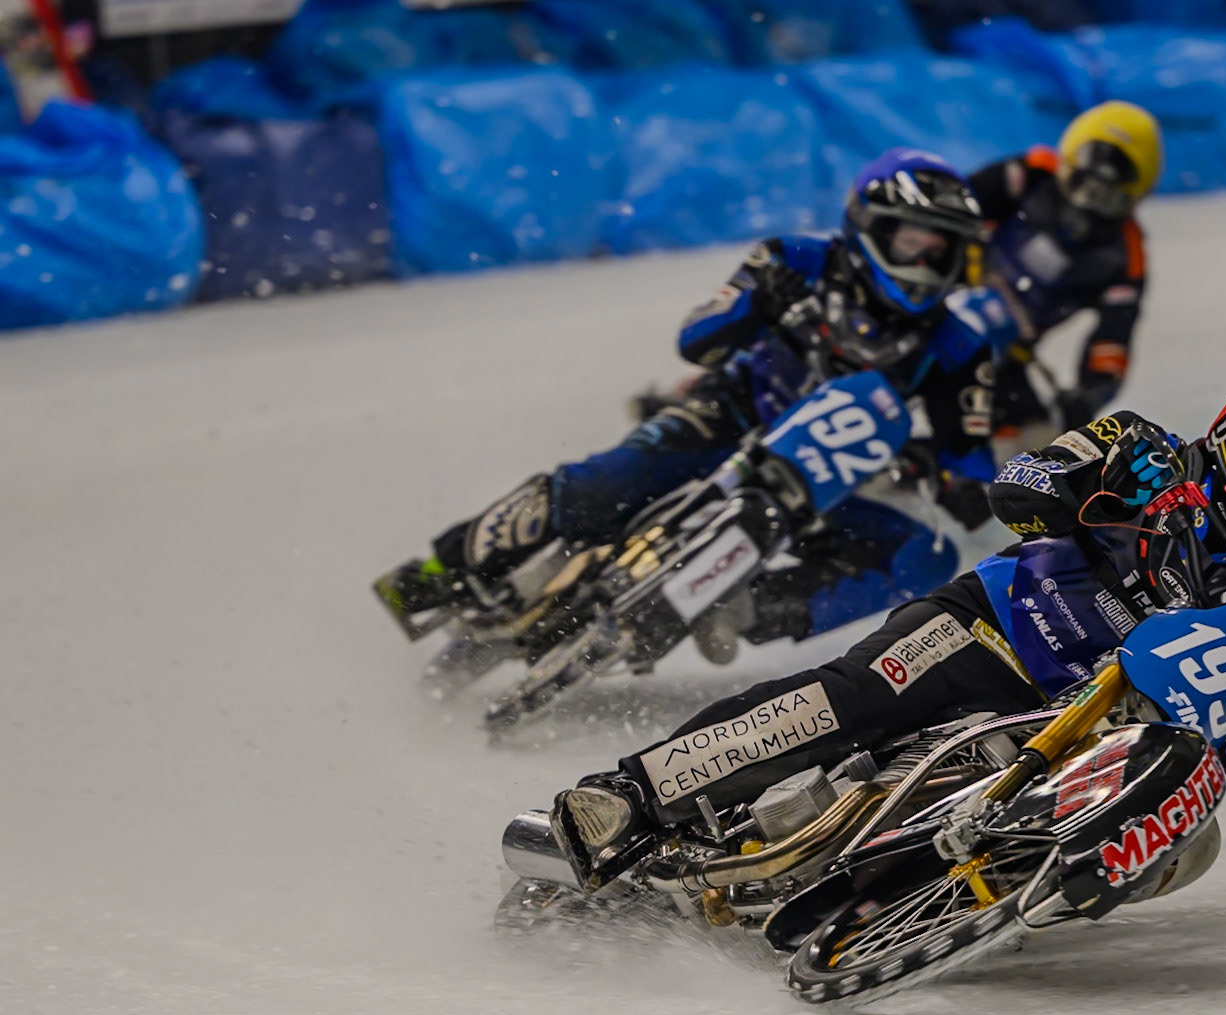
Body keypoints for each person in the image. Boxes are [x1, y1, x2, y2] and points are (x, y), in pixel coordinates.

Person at [551, 359, 1226, 891]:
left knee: (1188, 838)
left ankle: (954, 896)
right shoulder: (1147, 451)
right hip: (996, 629)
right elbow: (1025, 481)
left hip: (1080, 733)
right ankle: (630, 795)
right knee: (849, 699)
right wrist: (1076, 492)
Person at [376, 148, 1011, 650]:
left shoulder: (960, 346)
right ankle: (446, 566)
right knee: (605, 484)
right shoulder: (794, 257)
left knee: (926, 555)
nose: (925, 262)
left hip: (822, 479)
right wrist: (760, 305)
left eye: (941, 249)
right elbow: (696, 341)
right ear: (870, 225)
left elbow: (972, 462)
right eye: (911, 242)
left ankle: (740, 608)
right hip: (730, 417)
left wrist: (940, 472)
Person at [969, 100, 1163, 435]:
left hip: (1005, 356)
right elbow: (951, 212)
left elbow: (1111, 347)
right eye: (1083, 186)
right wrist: (962, 266)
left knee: (1034, 440)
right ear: (1067, 164)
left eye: (1107, 197)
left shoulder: (1126, 259)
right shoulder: (1029, 172)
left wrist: (1085, 399)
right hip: (937, 299)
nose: (1086, 206)